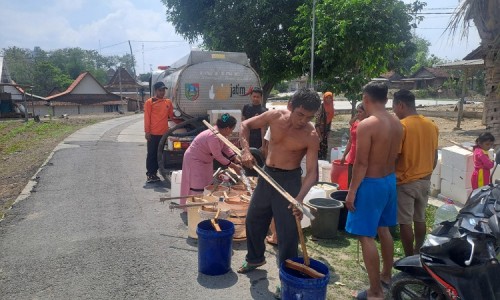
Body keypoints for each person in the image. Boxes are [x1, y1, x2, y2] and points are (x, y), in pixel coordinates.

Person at [237, 88, 321, 274]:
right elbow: (244, 125)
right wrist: (245, 150)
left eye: (309, 117)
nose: (303, 121)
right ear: (291, 106)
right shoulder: (275, 116)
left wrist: (298, 199)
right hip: (267, 175)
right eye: (300, 114)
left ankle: (287, 275)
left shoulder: (311, 135)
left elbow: (313, 173)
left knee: (288, 232)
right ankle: (254, 259)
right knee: (254, 219)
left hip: (289, 182)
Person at [345, 82, 402, 300]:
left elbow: (361, 164)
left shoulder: (367, 125)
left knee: (365, 236)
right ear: (386, 99)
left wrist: (351, 192)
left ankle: (375, 291)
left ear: (366, 99)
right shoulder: (396, 122)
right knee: (383, 229)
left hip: (371, 182)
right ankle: (386, 275)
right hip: (389, 180)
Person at [392, 89, 439, 258]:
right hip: (425, 180)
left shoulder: (402, 126)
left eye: (394, 107)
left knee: (405, 222)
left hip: (405, 181)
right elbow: (434, 156)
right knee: (420, 219)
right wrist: (427, 174)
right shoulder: (432, 125)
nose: (394, 112)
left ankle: (408, 257)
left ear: (401, 105)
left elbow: (396, 156)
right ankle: (418, 251)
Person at [180, 114, 242, 206]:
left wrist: (234, 157)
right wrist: (234, 166)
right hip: (194, 159)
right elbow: (218, 156)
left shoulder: (221, 133)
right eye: (232, 130)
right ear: (227, 128)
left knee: (207, 184)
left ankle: (205, 204)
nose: (231, 132)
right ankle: (193, 207)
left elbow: (225, 147)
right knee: (197, 184)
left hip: (206, 160)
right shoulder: (213, 136)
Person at [144, 81, 174, 183]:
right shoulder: (150, 102)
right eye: (160, 90)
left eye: (163, 90)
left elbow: (172, 116)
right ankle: (150, 174)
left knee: (160, 154)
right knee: (151, 154)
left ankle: (158, 173)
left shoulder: (168, 102)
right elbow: (147, 118)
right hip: (152, 134)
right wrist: (147, 132)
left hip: (163, 134)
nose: (162, 92)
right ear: (156, 91)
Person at [341, 103, 368, 187]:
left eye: (360, 112)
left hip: (362, 159)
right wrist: (344, 155)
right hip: (352, 158)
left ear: (367, 113)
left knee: (360, 184)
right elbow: (350, 141)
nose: (358, 114)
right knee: (350, 183)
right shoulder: (355, 125)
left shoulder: (369, 126)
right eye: (357, 112)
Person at [315, 91, 335, 160]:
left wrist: (329, 131)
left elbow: (330, 120)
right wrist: (320, 135)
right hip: (319, 132)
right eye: (327, 98)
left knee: (324, 149)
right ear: (324, 98)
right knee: (318, 149)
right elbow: (317, 123)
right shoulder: (321, 107)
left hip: (326, 131)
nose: (329, 99)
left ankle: (323, 162)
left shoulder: (331, 107)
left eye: (330, 98)